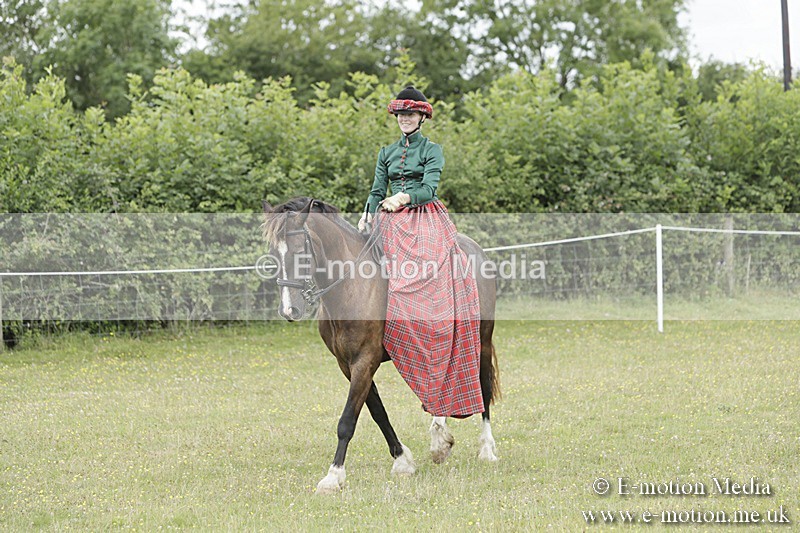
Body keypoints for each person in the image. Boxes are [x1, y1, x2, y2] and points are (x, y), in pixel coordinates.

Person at [357, 85, 484, 419]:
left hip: (422, 215)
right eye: (401, 115)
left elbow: (429, 188)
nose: (405, 120)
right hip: (387, 218)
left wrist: (403, 198)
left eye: (410, 115)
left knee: (428, 267)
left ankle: (436, 320)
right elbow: (375, 189)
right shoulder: (386, 151)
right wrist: (368, 212)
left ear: (421, 117)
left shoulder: (432, 150)